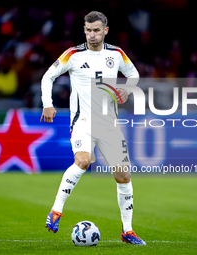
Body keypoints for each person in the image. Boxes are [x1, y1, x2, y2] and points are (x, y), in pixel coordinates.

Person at [40, 11, 146, 245]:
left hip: (109, 124)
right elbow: (48, 76)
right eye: (88, 30)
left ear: (105, 31)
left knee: (124, 175)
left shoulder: (117, 54)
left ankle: (127, 231)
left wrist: (127, 88)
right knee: (84, 160)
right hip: (83, 122)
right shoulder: (73, 54)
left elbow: (134, 74)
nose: (92, 35)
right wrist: (48, 104)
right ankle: (56, 211)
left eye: (96, 30)